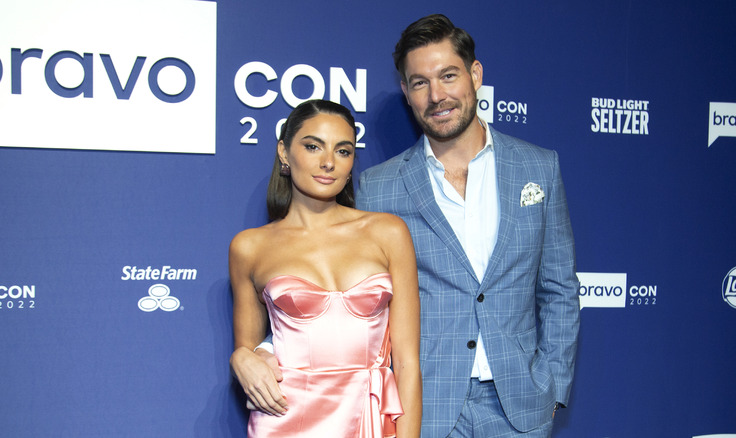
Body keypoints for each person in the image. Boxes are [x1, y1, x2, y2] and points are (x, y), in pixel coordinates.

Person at [356, 14, 580, 437]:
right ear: (406, 92)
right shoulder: (377, 188)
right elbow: (357, 302)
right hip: (425, 406)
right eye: (419, 82)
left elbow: (559, 289)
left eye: (448, 75)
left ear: (475, 75)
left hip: (521, 405)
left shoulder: (538, 167)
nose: (436, 95)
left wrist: (552, 383)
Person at [229, 99, 422, 437]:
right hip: (285, 421)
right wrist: (239, 359)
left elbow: (406, 364)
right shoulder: (249, 246)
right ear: (284, 153)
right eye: (313, 146)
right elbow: (251, 357)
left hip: (368, 421)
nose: (329, 162)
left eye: (343, 151)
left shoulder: (388, 232)